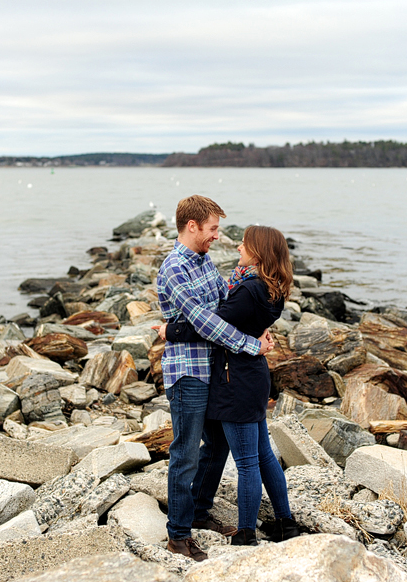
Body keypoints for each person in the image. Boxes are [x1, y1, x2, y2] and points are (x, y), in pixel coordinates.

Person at [161, 225, 301, 546]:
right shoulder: (271, 287)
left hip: (234, 380)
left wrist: (171, 332)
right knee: (264, 454)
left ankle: (246, 533)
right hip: (252, 375)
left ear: (259, 252)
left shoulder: (249, 290)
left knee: (248, 462)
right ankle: (286, 523)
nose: (238, 247)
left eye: (244, 244)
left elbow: (209, 327)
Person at [156, 195, 274, 562]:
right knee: (186, 454)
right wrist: (250, 345)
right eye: (212, 229)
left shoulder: (205, 262)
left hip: (214, 369)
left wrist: (260, 316)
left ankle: (199, 511)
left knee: (219, 444)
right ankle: (178, 535)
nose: (217, 237)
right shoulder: (174, 268)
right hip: (187, 373)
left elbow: (225, 302)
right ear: (192, 226)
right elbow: (204, 321)